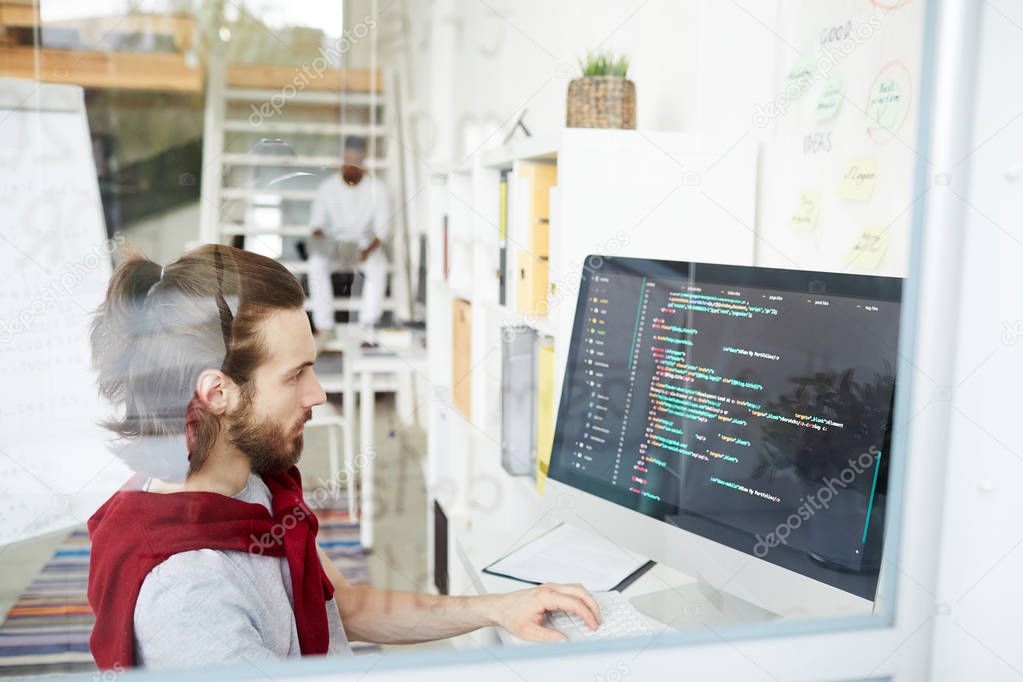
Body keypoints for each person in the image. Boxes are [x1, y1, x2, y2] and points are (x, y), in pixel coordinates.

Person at [85, 244, 600, 671]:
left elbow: (344, 604)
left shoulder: (245, 482)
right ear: (218, 393)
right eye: (295, 374)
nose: (318, 394)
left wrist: (500, 608)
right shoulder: (189, 595)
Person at [307, 136, 389, 343]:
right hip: (334, 244)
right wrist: (327, 246)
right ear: (342, 157)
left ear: (363, 157)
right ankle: (325, 327)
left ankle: (367, 325)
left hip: (363, 245)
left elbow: (382, 231)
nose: (351, 160)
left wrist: (366, 252)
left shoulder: (377, 189)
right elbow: (316, 226)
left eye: (355, 156)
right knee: (316, 264)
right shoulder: (327, 187)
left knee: (378, 266)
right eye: (347, 156)